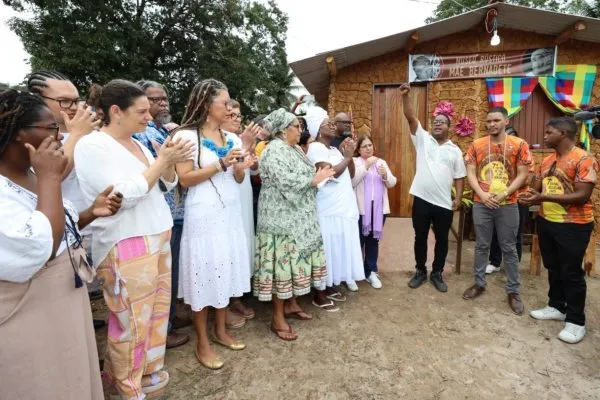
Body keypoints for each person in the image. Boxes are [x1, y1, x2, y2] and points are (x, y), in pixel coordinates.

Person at [75, 79, 193, 398]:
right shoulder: (92, 145)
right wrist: (161, 163)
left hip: (158, 233)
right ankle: (126, 385)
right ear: (116, 111)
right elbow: (120, 196)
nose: (148, 116)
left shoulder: (139, 143)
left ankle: (146, 372)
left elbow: (165, 185)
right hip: (125, 241)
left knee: (155, 315)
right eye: (141, 111)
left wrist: (167, 163)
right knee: (131, 321)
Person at [0, 89, 121, 399]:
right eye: (52, 127)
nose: (59, 135)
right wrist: (50, 179)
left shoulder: (29, 174)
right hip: (30, 314)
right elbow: (39, 247)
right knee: (45, 382)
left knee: (74, 373)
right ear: (16, 134)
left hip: (64, 299)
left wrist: (91, 213)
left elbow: (56, 226)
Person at [173, 79, 252, 370]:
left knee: (224, 271)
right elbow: (184, 179)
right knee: (204, 274)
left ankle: (221, 331)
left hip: (229, 214)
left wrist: (241, 163)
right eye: (225, 102)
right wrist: (220, 164)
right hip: (203, 216)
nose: (230, 107)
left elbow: (239, 178)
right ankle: (202, 342)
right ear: (207, 105)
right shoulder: (185, 137)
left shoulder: (230, 138)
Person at [27, 69, 106, 328]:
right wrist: (79, 136)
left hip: (84, 224)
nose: (73, 107)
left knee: (78, 294)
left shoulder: (79, 131)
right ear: (37, 100)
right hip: (52, 236)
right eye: (64, 101)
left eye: (76, 99)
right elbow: (53, 176)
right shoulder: (31, 138)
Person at [254, 107, 335, 340]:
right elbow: (286, 181)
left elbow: (308, 173)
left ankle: (290, 305)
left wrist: (319, 176)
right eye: (296, 126)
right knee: (282, 268)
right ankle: (276, 318)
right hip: (280, 220)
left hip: (295, 217)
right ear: (281, 131)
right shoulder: (273, 151)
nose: (301, 130)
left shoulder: (294, 149)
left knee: (290, 267)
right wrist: (314, 179)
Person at [520, 117, 598, 343]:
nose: (544, 136)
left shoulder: (583, 159)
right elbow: (536, 188)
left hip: (574, 225)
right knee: (553, 267)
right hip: (547, 221)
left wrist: (541, 196)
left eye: (548, 132)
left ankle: (576, 321)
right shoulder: (547, 162)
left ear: (563, 133)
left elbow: (582, 196)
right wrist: (528, 194)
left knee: (571, 271)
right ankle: (556, 306)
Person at [131, 79, 191, 349]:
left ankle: (169, 320)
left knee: (170, 271)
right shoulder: (139, 135)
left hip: (173, 212)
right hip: (154, 215)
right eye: (155, 100)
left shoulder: (161, 130)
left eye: (165, 98)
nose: (163, 103)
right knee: (156, 276)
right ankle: (161, 332)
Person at [463, 106, 532, 315]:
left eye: (496, 120)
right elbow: (471, 172)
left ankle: (513, 291)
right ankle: (479, 283)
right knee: (482, 245)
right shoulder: (477, 145)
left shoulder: (519, 145)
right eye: (489, 121)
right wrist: (482, 196)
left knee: (509, 247)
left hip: (508, 203)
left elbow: (523, 174)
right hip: (481, 203)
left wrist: (504, 194)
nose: (491, 124)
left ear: (506, 122)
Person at [400, 83, 466, 293]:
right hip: (421, 199)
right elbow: (410, 118)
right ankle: (420, 270)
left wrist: (458, 197)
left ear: (449, 127)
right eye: (435, 122)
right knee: (419, 236)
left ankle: (437, 273)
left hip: (443, 203)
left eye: (442, 122)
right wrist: (405, 97)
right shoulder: (423, 139)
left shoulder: (455, 150)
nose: (437, 124)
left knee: (442, 240)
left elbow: (460, 176)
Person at [306, 106, 365, 297]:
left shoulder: (334, 149)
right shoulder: (315, 148)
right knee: (326, 249)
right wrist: (347, 157)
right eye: (327, 123)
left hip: (342, 207)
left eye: (332, 123)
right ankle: (319, 293)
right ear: (317, 129)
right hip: (328, 208)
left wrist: (349, 155)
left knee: (337, 248)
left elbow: (351, 173)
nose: (332, 126)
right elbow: (329, 172)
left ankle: (330, 284)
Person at [221, 100, 260, 328]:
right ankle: (223, 303)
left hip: (244, 197)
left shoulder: (239, 140)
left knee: (241, 247)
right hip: (228, 201)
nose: (237, 118)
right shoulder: (219, 139)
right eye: (232, 115)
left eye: (239, 115)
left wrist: (252, 150)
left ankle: (235, 297)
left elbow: (254, 169)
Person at [351, 136, 397, 289]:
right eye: (364, 146)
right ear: (358, 149)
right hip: (361, 210)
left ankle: (370, 271)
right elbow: (352, 182)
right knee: (359, 241)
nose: (368, 148)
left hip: (378, 210)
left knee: (372, 240)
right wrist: (365, 167)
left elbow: (392, 183)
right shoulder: (355, 162)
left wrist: (385, 175)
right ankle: (355, 273)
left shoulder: (381, 162)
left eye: (370, 145)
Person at [486, 127, 531, 274]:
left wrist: (508, 187)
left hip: (517, 199)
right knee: (495, 232)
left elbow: (527, 178)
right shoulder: (494, 158)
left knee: (515, 233)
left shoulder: (524, 156)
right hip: (496, 199)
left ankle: (513, 264)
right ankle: (494, 262)